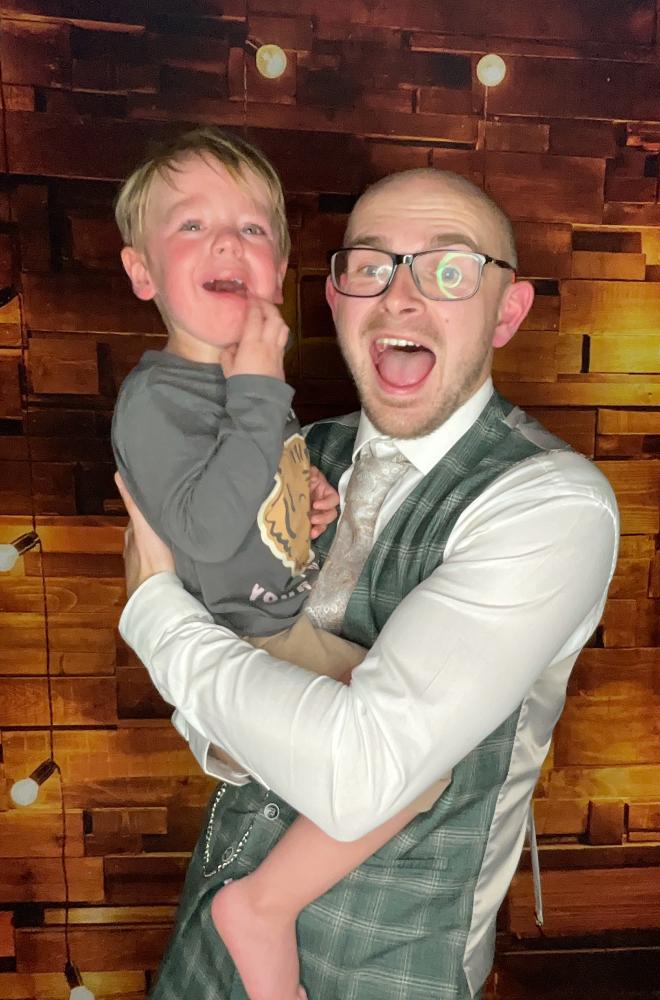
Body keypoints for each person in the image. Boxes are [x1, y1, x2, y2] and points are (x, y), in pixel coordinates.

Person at [118, 165, 620, 1000]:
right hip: (206, 947)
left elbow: (362, 776)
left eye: (450, 269)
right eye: (371, 267)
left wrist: (154, 614)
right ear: (335, 298)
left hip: (389, 969)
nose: (401, 298)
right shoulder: (294, 450)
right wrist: (228, 715)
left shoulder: (552, 504)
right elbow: (207, 711)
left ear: (508, 312)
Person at [111, 129, 454, 1000]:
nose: (228, 243)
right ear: (143, 273)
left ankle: (272, 897)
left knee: (417, 744)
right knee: (418, 766)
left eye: (253, 229)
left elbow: (255, 507)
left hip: (276, 626)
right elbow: (207, 525)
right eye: (193, 226)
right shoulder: (157, 398)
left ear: (280, 269)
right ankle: (261, 907)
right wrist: (261, 383)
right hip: (243, 648)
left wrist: (308, 506)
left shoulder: (245, 388)